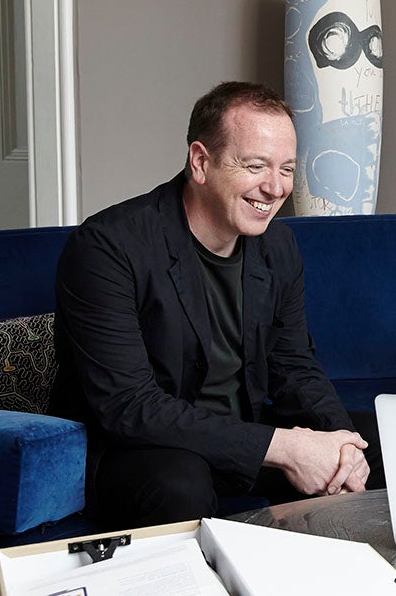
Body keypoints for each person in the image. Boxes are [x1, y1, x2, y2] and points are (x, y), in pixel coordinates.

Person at [52, 81, 374, 527]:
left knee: (383, 446)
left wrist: (344, 444)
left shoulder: (278, 246)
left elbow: (294, 365)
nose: (275, 188)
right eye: (256, 165)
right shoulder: (106, 248)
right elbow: (130, 406)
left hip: (245, 436)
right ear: (201, 162)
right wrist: (282, 447)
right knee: (179, 483)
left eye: (286, 168)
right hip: (145, 450)